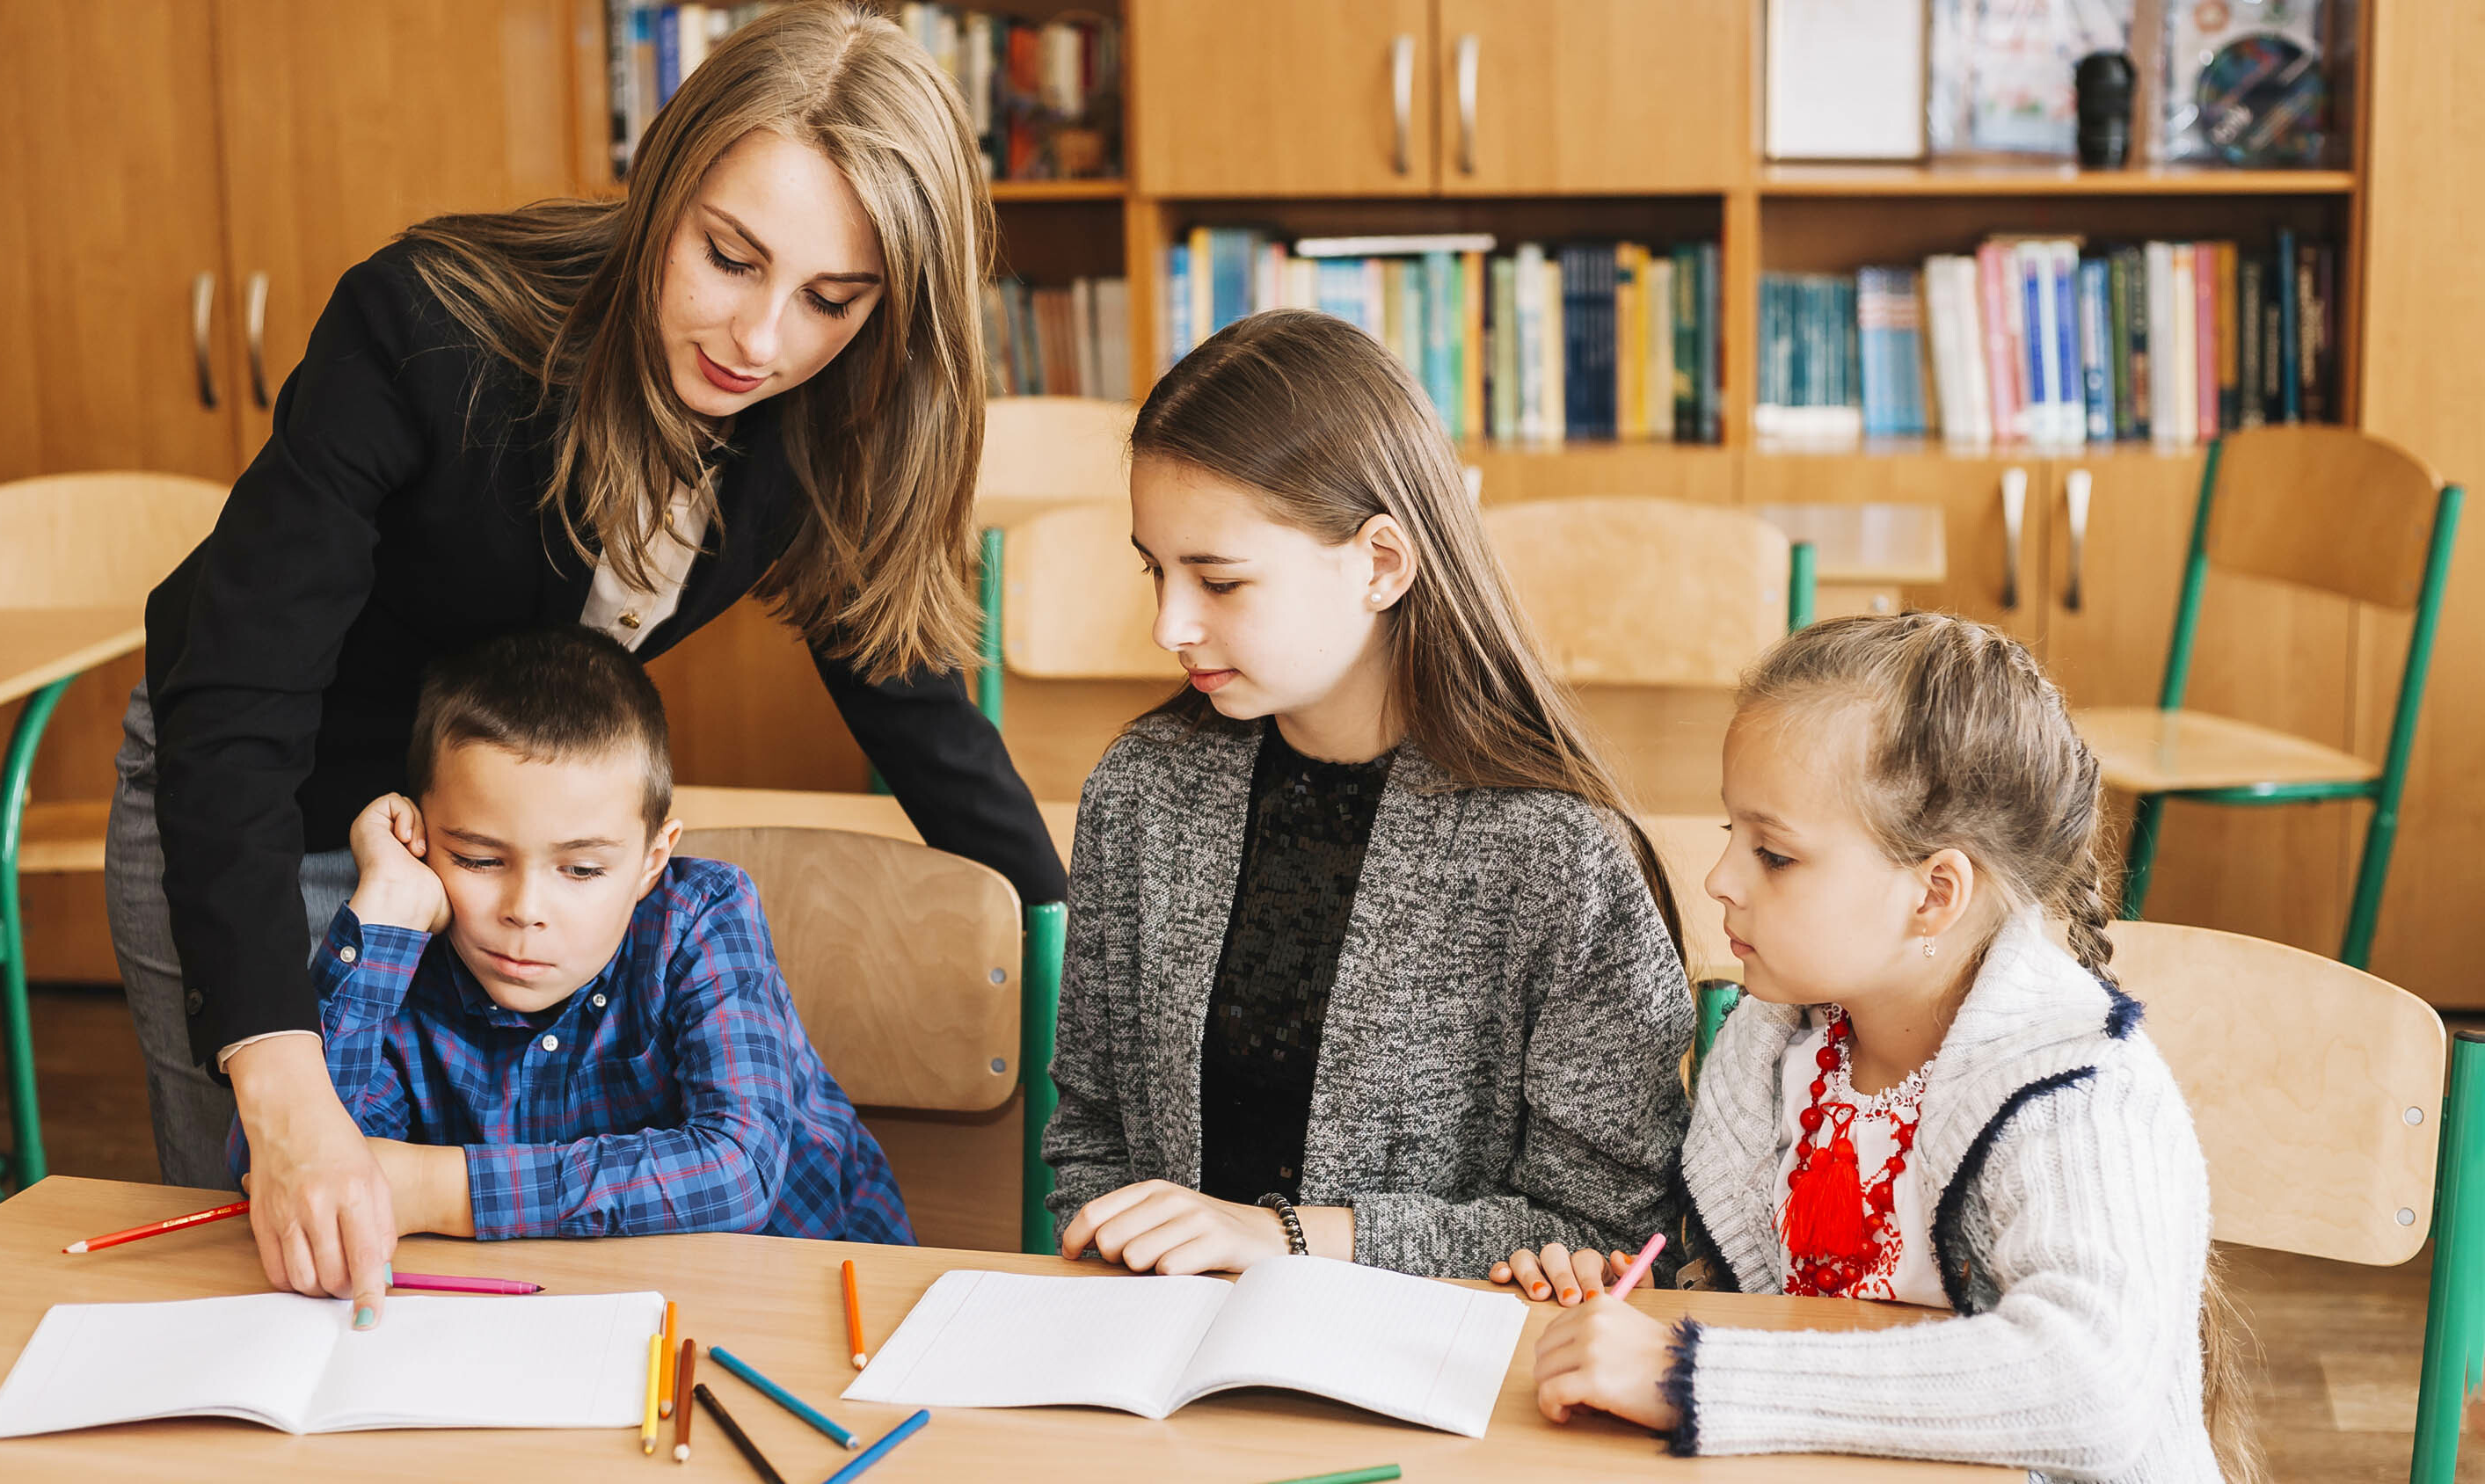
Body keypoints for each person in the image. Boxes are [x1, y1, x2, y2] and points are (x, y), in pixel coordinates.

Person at [106, 1, 1053, 1328]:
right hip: (276, 795)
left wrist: (1065, 930)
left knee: (494, 1268)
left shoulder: (827, 411)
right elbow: (240, 709)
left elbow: (905, 693)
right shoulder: (424, 330)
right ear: (662, 184)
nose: (762, 341)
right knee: (286, 1254)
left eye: (832, 299)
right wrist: (277, 1078)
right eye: (729, 258)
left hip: (517, 829)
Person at [1039, 309, 1695, 1281]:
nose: (1168, 624)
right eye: (1157, 569)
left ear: (1382, 563)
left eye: (1219, 581)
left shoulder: (1555, 847)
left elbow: (1608, 1225)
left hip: (1440, 1386)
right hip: (1165, 1362)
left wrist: (1288, 1237)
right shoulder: (1142, 793)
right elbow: (1090, 1134)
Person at [1527, 613, 2254, 1483]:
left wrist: (1692, 1372)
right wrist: (1641, 1298)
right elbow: (1779, 1312)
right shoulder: (1772, 1054)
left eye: (1776, 854)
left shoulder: (2082, 1093)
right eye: (1732, 836)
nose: (1722, 879)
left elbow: (2094, 1386)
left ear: (1934, 893)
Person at [224, 628, 909, 1325]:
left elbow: (739, 1168)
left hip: (803, 1305)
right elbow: (283, 1163)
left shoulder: (703, 918)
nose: (525, 911)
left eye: (581, 870)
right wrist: (388, 912)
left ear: (652, 858)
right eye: (479, 860)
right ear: (421, 834)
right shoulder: (407, 953)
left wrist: (438, 1188)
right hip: (552, 1319)